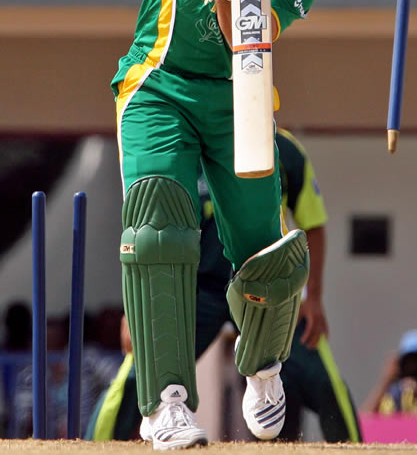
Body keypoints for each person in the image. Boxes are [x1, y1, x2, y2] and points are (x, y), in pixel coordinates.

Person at [112, 0, 320, 448]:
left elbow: (246, 43)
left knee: (266, 252)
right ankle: (164, 405)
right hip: (159, 84)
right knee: (158, 227)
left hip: (240, 91)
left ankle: (262, 369)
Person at [87, 129, 362, 442]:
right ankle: (92, 446)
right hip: (195, 291)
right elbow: (147, 234)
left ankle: (353, 448)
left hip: (262, 287)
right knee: (141, 374)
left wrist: (314, 297)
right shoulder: (182, 145)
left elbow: (312, 224)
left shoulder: (282, 148)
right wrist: (135, 307)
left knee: (322, 380)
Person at [362, 329, 417, 415]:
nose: (415, 368)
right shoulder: (395, 394)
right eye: (410, 362)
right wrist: (386, 381)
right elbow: (365, 421)